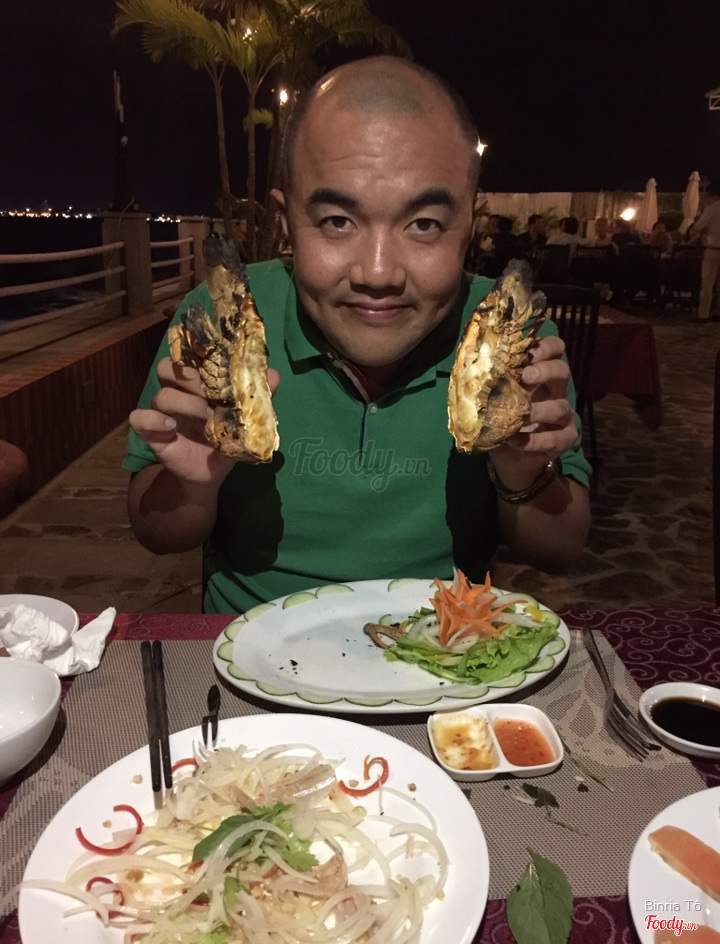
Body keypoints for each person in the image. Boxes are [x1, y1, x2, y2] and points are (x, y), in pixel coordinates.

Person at [125, 56, 591, 613]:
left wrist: (522, 474)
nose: (377, 272)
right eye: (337, 222)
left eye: (423, 224)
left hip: (438, 646)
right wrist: (191, 486)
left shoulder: (514, 338)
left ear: (471, 222)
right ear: (287, 220)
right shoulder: (219, 322)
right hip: (251, 645)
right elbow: (155, 533)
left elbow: (559, 550)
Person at [694, 181, 720, 321]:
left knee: (707, 285)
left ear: (713, 196)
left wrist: (701, 236)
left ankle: (703, 314)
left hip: (713, 250)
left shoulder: (711, 209)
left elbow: (697, 228)